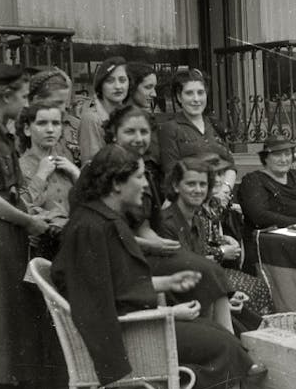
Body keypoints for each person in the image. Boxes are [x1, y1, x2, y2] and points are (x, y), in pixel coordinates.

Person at [52, 144, 264, 389]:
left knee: (218, 337)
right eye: (138, 176)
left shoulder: (100, 219)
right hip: (122, 337)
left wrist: (166, 283)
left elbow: (114, 284)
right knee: (223, 349)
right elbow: (96, 300)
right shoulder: (95, 227)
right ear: (116, 183)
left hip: (129, 326)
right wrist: (167, 309)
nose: (145, 184)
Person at [101, 105, 234, 331]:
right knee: (208, 270)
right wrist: (156, 243)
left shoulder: (145, 173)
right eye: (130, 132)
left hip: (144, 252)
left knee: (207, 274)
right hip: (123, 261)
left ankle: (225, 335)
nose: (139, 138)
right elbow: (107, 230)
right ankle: (226, 339)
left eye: (144, 132)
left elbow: (144, 225)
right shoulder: (104, 169)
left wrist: (159, 241)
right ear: (114, 133)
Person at [0, 64, 55, 389]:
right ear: (5, 94)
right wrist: (29, 220)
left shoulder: (1, 130)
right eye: (24, 95)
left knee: (12, 328)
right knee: (2, 331)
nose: (27, 102)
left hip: (5, 240)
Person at [158, 156, 273, 318]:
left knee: (251, 320)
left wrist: (227, 294)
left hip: (204, 293)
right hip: (183, 305)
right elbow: (187, 269)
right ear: (176, 186)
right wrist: (223, 294)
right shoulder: (167, 223)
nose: (198, 190)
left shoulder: (196, 219)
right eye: (191, 184)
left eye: (203, 184)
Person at [238, 136, 296, 275]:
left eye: (287, 154)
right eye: (277, 155)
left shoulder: (295, 175)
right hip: (268, 249)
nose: (284, 159)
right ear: (265, 158)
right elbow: (258, 215)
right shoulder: (253, 180)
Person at [158, 69, 236, 203]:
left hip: (221, 199)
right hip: (189, 201)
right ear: (178, 97)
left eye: (200, 93)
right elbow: (171, 174)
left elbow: (231, 165)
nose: (196, 99)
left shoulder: (213, 124)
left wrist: (224, 191)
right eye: (189, 93)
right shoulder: (170, 128)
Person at [16, 105, 80, 259]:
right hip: (40, 251)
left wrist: (77, 174)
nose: (50, 129)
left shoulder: (67, 163)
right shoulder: (19, 166)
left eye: (56, 123)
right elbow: (22, 208)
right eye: (42, 123)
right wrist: (41, 175)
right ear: (27, 129)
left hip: (75, 245)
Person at [78, 56, 128, 165]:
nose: (118, 86)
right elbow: (92, 166)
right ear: (101, 86)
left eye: (122, 80)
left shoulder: (128, 114)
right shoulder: (92, 119)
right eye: (110, 81)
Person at [28, 67, 81, 165]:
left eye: (65, 103)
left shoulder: (77, 125)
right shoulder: (25, 130)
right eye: (57, 103)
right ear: (37, 100)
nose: (63, 109)